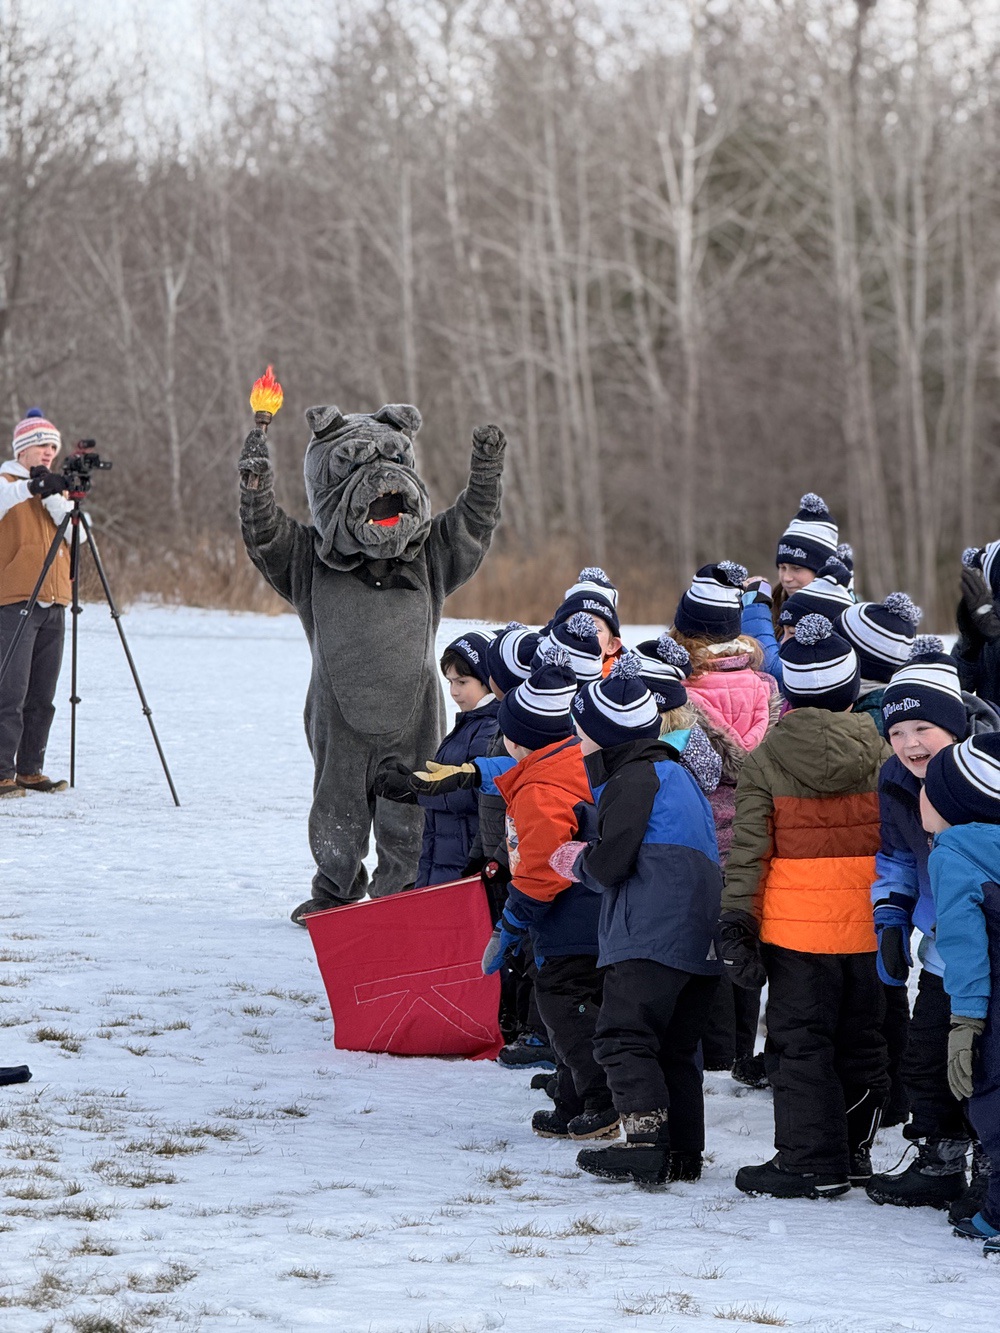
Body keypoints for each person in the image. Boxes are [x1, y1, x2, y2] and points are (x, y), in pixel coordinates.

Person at [721, 613, 889, 1200]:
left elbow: (749, 851)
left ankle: (809, 1161)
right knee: (862, 1039)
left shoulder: (765, 759)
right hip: (870, 923)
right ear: (851, 688)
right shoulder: (882, 750)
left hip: (796, 931)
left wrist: (737, 920)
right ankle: (855, 1152)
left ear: (789, 690)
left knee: (799, 1043)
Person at [552, 654, 723, 1186]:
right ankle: (682, 1154)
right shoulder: (680, 775)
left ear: (604, 738)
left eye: (581, 736)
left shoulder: (634, 776)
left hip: (652, 928)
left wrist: (576, 860)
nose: (578, 746)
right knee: (673, 1047)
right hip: (699, 933)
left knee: (622, 1035)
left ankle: (647, 1143)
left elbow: (613, 861)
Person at [865, 638, 998, 1217]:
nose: (909, 743)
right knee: (926, 1058)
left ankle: (989, 1171)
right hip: (943, 951)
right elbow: (893, 855)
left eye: (922, 728)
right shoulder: (894, 781)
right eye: (896, 732)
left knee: (984, 1068)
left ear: (954, 725)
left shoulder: (985, 774)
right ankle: (939, 1160)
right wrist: (890, 916)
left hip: (990, 953)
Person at [481, 648, 617, 1141]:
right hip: (593, 919)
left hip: (570, 922)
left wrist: (512, 923)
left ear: (521, 740)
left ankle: (601, 1101)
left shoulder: (540, 789)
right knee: (579, 1009)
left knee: (563, 1008)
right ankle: (572, 1096)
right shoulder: (569, 767)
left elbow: (542, 869)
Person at [670, 562, 776, 1080]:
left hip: (706, 829)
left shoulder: (684, 693)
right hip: (756, 830)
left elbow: (701, 769)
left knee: (706, 936)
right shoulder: (765, 686)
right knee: (743, 931)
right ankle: (741, 1044)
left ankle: (714, 1049)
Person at [921, 733, 1000, 1255]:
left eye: (928, 788)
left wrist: (965, 1024)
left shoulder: (955, 853)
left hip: (994, 1004)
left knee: (991, 1100)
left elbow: (965, 947)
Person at [377, 629, 499, 887]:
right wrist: (416, 779)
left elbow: (476, 792)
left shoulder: (490, 726)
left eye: (462, 682)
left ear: (487, 680)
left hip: (464, 857)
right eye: (450, 682)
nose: (454, 692)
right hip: (443, 851)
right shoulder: (470, 722)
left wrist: (416, 789)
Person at [0, 409, 75, 798]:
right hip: (13, 600)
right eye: (43, 446)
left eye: (53, 448)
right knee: (9, 691)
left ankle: (31, 770)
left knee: (42, 695)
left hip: (53, 600)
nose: (49, 453)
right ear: (25, 449)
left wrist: (54, 501)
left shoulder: (53, 491)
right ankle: (1, 772)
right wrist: (31, 489)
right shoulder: (6, 481)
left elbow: (80, 537)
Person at [547, 566, 623, 674]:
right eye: (573, 625)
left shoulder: (624, 688)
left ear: (612, 645)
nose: (582, 633)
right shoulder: (532, 682)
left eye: (595, 629)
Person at [954, 542, 1000, 710]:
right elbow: (953, 693)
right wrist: (969, 649)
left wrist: (996, 637)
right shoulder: (983, 623)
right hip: (990, 731)